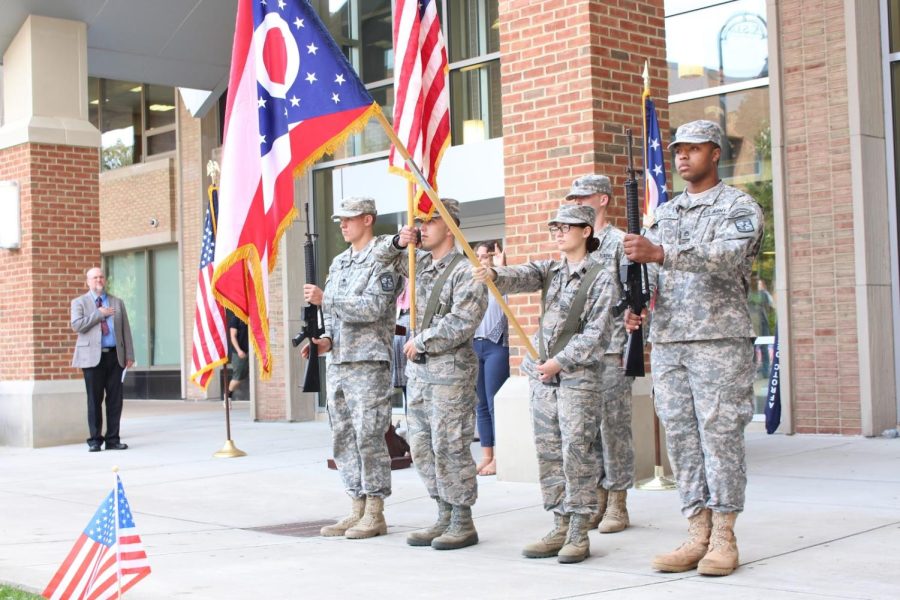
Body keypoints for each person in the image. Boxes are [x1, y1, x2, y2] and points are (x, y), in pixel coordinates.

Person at [623, 120, 764, 577]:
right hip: (668, 341)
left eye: (693, 149)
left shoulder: (738, 207)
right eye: (678, 150)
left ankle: (725, 534)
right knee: (681, 437)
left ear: (715, 153)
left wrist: (661, 253)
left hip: (718, 340)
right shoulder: (665, 213)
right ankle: (696, 529)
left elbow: (726, 255)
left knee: (719, 436)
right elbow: (650, 273)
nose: (682, 157)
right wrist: (637, 306)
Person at [474, 205, 618, 564]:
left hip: (577, 378)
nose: (558, 232)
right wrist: (493, 271)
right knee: (549, 451)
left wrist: (560, 362)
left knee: (577, 453)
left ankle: (578, 531)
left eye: (566, 227)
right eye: (555, 227)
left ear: (586, 231)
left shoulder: (601, 275)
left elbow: (598, 333)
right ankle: (558, 522)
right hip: (544, 378)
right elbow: (518, 276)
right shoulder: (550, 271)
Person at [373, 198, 488, 551]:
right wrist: (398, 241)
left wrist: (423, 340)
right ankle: (442, 512)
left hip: (450, 373)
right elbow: (380, 259)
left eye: (429, 221)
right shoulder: (419, 262)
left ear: (450, 226)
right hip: (420, 375)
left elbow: (463, 321)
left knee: (450, 445)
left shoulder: (467, 270)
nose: (422, 227)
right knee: (422, 446)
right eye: (418, 221)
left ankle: (462, 519)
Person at [302, 197, 400, 540]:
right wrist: (324, 339)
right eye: (340, 220)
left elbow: (373, 307)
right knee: (342, 435)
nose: (343, 225)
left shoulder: (383, 260)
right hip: (340, 361)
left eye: (349, 219)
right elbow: (330, 316)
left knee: (369, 435)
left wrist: (325, 298)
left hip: (369, 362)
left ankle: (375, 510)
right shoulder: (340, 262)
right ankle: (355, 504)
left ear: (368, 219)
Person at [565, 174, 635, 534]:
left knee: (614, 428)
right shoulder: (578, 243)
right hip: (579, 352)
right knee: (586, 429)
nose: (577, 203)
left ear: (603, 199)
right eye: (572, 198)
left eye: (583, 197)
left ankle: (618, 502)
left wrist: (631, 342)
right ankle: (596, 498)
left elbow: (638, 295)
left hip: (610, 348)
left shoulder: (621, 243)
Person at [70, 267, 135, 452]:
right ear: (88, 282)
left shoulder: (117, 302)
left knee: (115, 400)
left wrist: (130, 354)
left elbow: (126, 330)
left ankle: (113, 439)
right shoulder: (79, 302)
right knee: (94, 399)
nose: (98, 280)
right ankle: (95, 440)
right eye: (94, 277)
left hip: (115, 356)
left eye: (101, 277)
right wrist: (100, 314)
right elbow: (77, 325)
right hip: (91, 359)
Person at [473, 241, 510, 477]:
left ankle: (499, 457)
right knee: (481, 405)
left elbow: (508, 305)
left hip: (497, 346)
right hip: (475, 345)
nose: (481, 259)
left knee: (494, 400)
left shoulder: (501, 281)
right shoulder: (472, 283)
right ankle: (486, 455)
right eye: (478, 256)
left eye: (486, 255)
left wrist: (501, 268)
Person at [227, 310, 249, 400]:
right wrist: (239, 350)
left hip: (250, 352)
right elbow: (233, 336)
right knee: (237, 377)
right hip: (240, 353)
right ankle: (228, 396)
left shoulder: (250, 317)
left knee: (243, 376)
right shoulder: (235, 318)